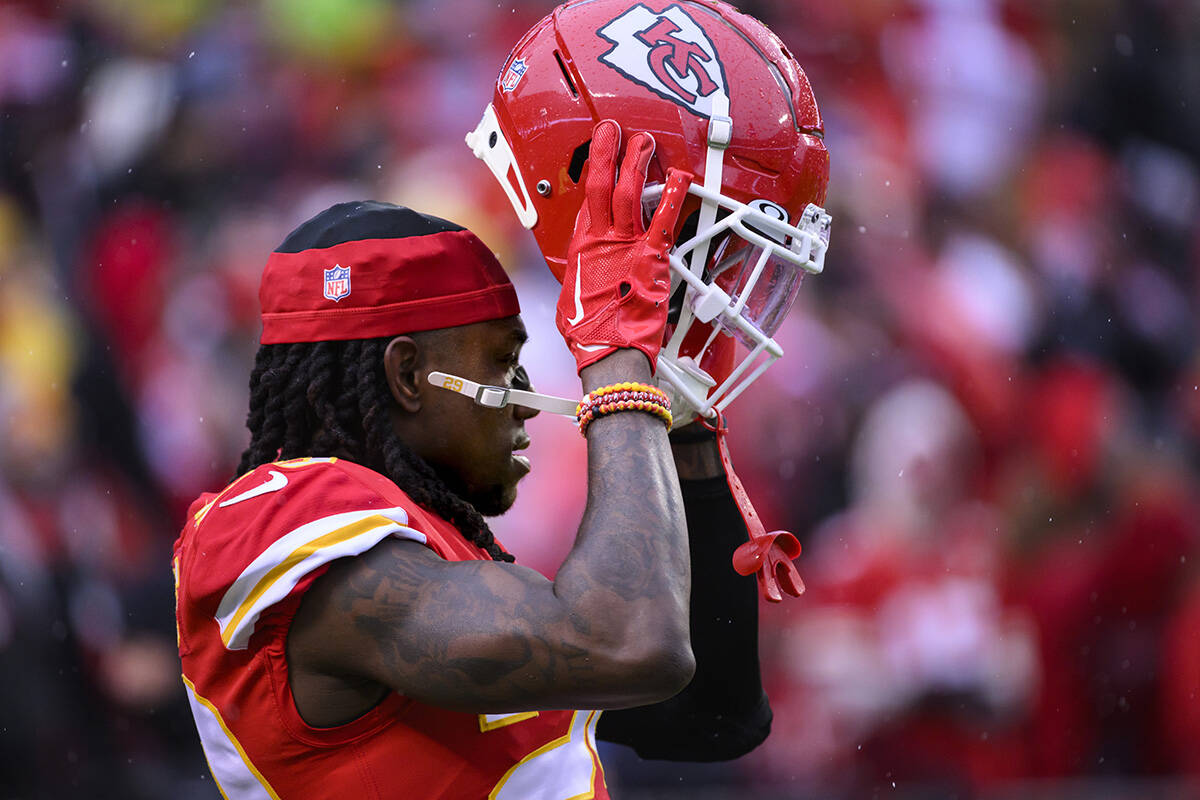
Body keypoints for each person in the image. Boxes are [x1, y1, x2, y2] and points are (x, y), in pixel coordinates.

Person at [174, 120, 772, 799]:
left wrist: (683, 422)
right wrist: (619, 369)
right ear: (406, 376)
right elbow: (632, 644)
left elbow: (712, 714)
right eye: (502, 364)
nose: (523, 401)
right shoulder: (289, 513)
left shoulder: (436, 553)